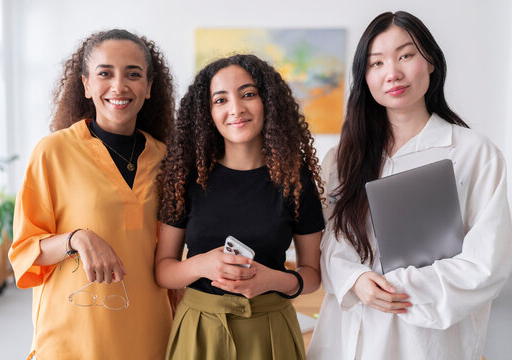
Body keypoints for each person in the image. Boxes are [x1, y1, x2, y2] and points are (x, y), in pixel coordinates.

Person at [307, 11, 512, 360]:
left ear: (430, 61)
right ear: (365, 76)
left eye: (406, 55)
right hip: (347, 335)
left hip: (426, 341)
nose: (393, 73)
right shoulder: (343, 157)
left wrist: (393, 288)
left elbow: (486, 263)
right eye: (377, 63)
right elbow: (329, 239)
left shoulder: (474, 153)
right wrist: (355, 281)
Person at [9, 29, 175, 359]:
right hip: (74, 337)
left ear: (149, 87)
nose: (119, 86)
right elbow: (25, 251)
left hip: (150, 335)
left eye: (133, 74)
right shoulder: (52, 152)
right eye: (105, 73)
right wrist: (76, 239)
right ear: (85, 84)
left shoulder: (166, 159)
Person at [155, 54, 324, 360]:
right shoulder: (185, 177)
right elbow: (163, 271)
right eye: (220, 100)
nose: (236, 109)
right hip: (199, 331)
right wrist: (202, 265)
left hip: (271, 331)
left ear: (268, 102)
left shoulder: (295, 178)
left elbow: (312, 275)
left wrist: (272, 279)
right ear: (207, 112)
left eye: (248, 94)